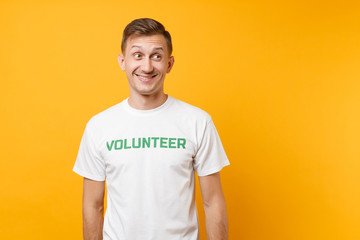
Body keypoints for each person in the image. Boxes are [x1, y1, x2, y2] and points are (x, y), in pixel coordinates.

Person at [73, 18, 230, 240]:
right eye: (138, 55)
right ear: (123, 61)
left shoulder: (197, 121)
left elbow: (212, 202)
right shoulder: (99, 126)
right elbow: (92, 205)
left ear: (169, 64)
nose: (147, 67)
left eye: (156, 56)